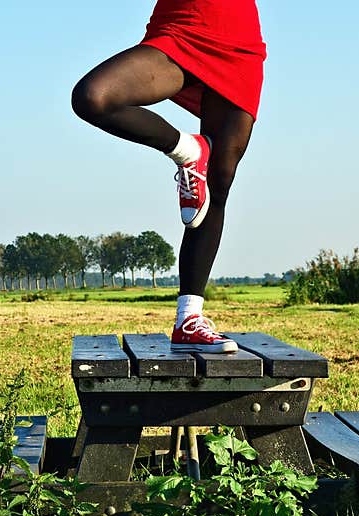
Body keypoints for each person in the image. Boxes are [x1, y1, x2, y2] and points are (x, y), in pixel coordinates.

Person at [71, 0, 267, 354]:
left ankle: (189, 320)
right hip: (184, 25)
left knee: (218, 182)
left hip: (239, 38)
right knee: (93, 97)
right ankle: (187, 150)